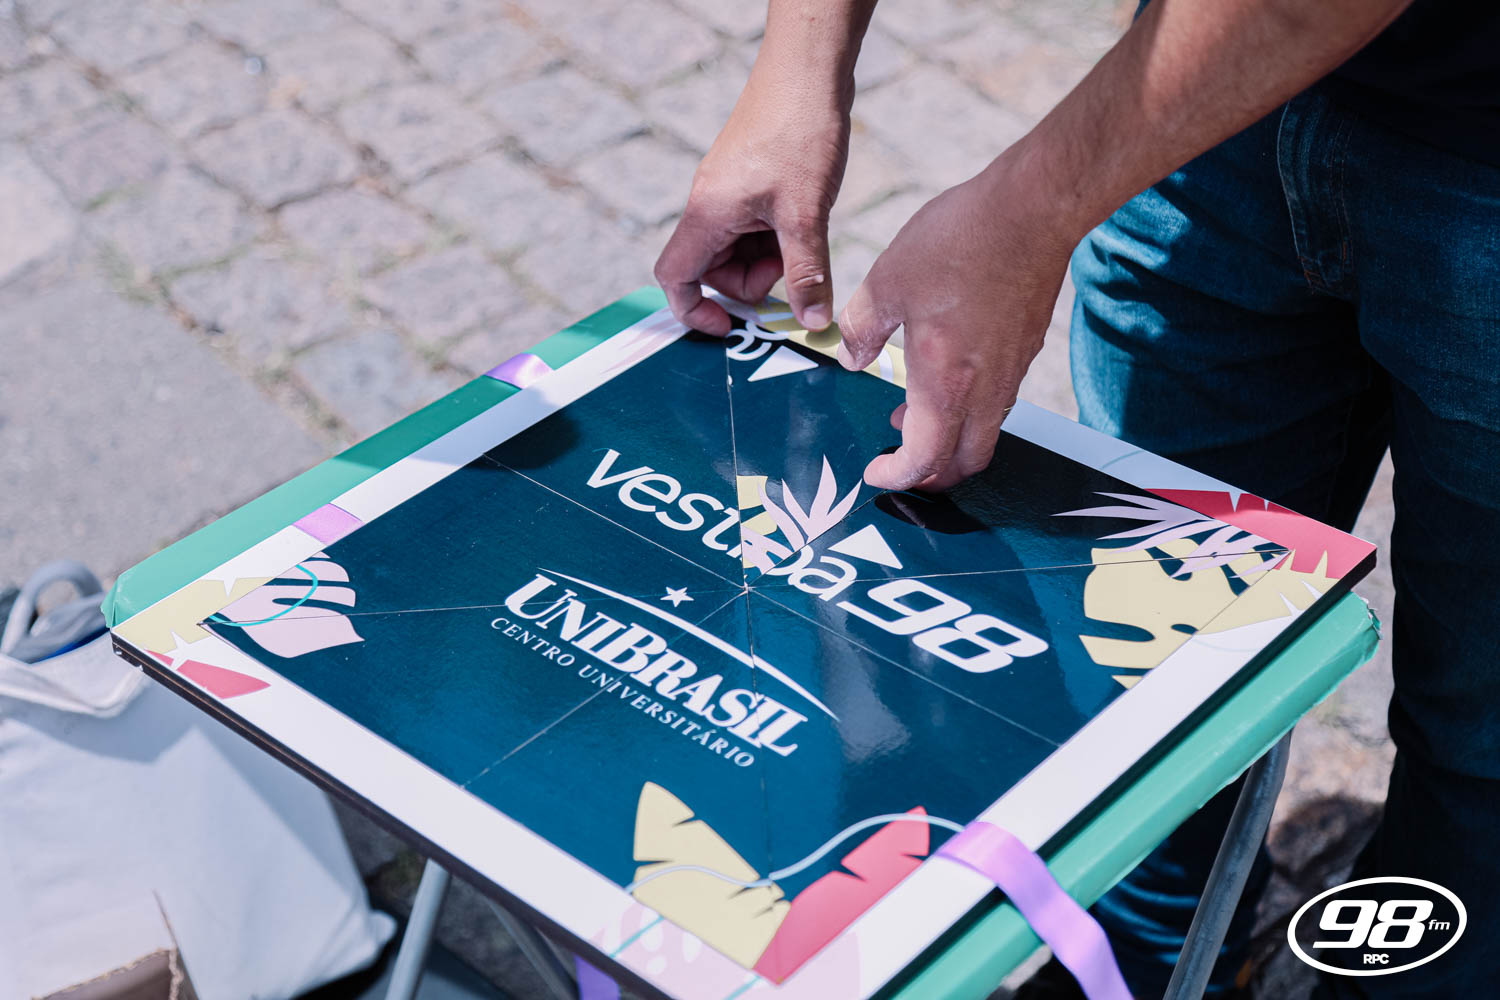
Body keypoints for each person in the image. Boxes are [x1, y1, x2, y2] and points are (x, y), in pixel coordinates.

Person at [653, 0, 1500, 995]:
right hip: (1196, 97)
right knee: (1153, 676)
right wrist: (799, 70)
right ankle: (1144, 962)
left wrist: (1025, 214)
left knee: (1477, 751)